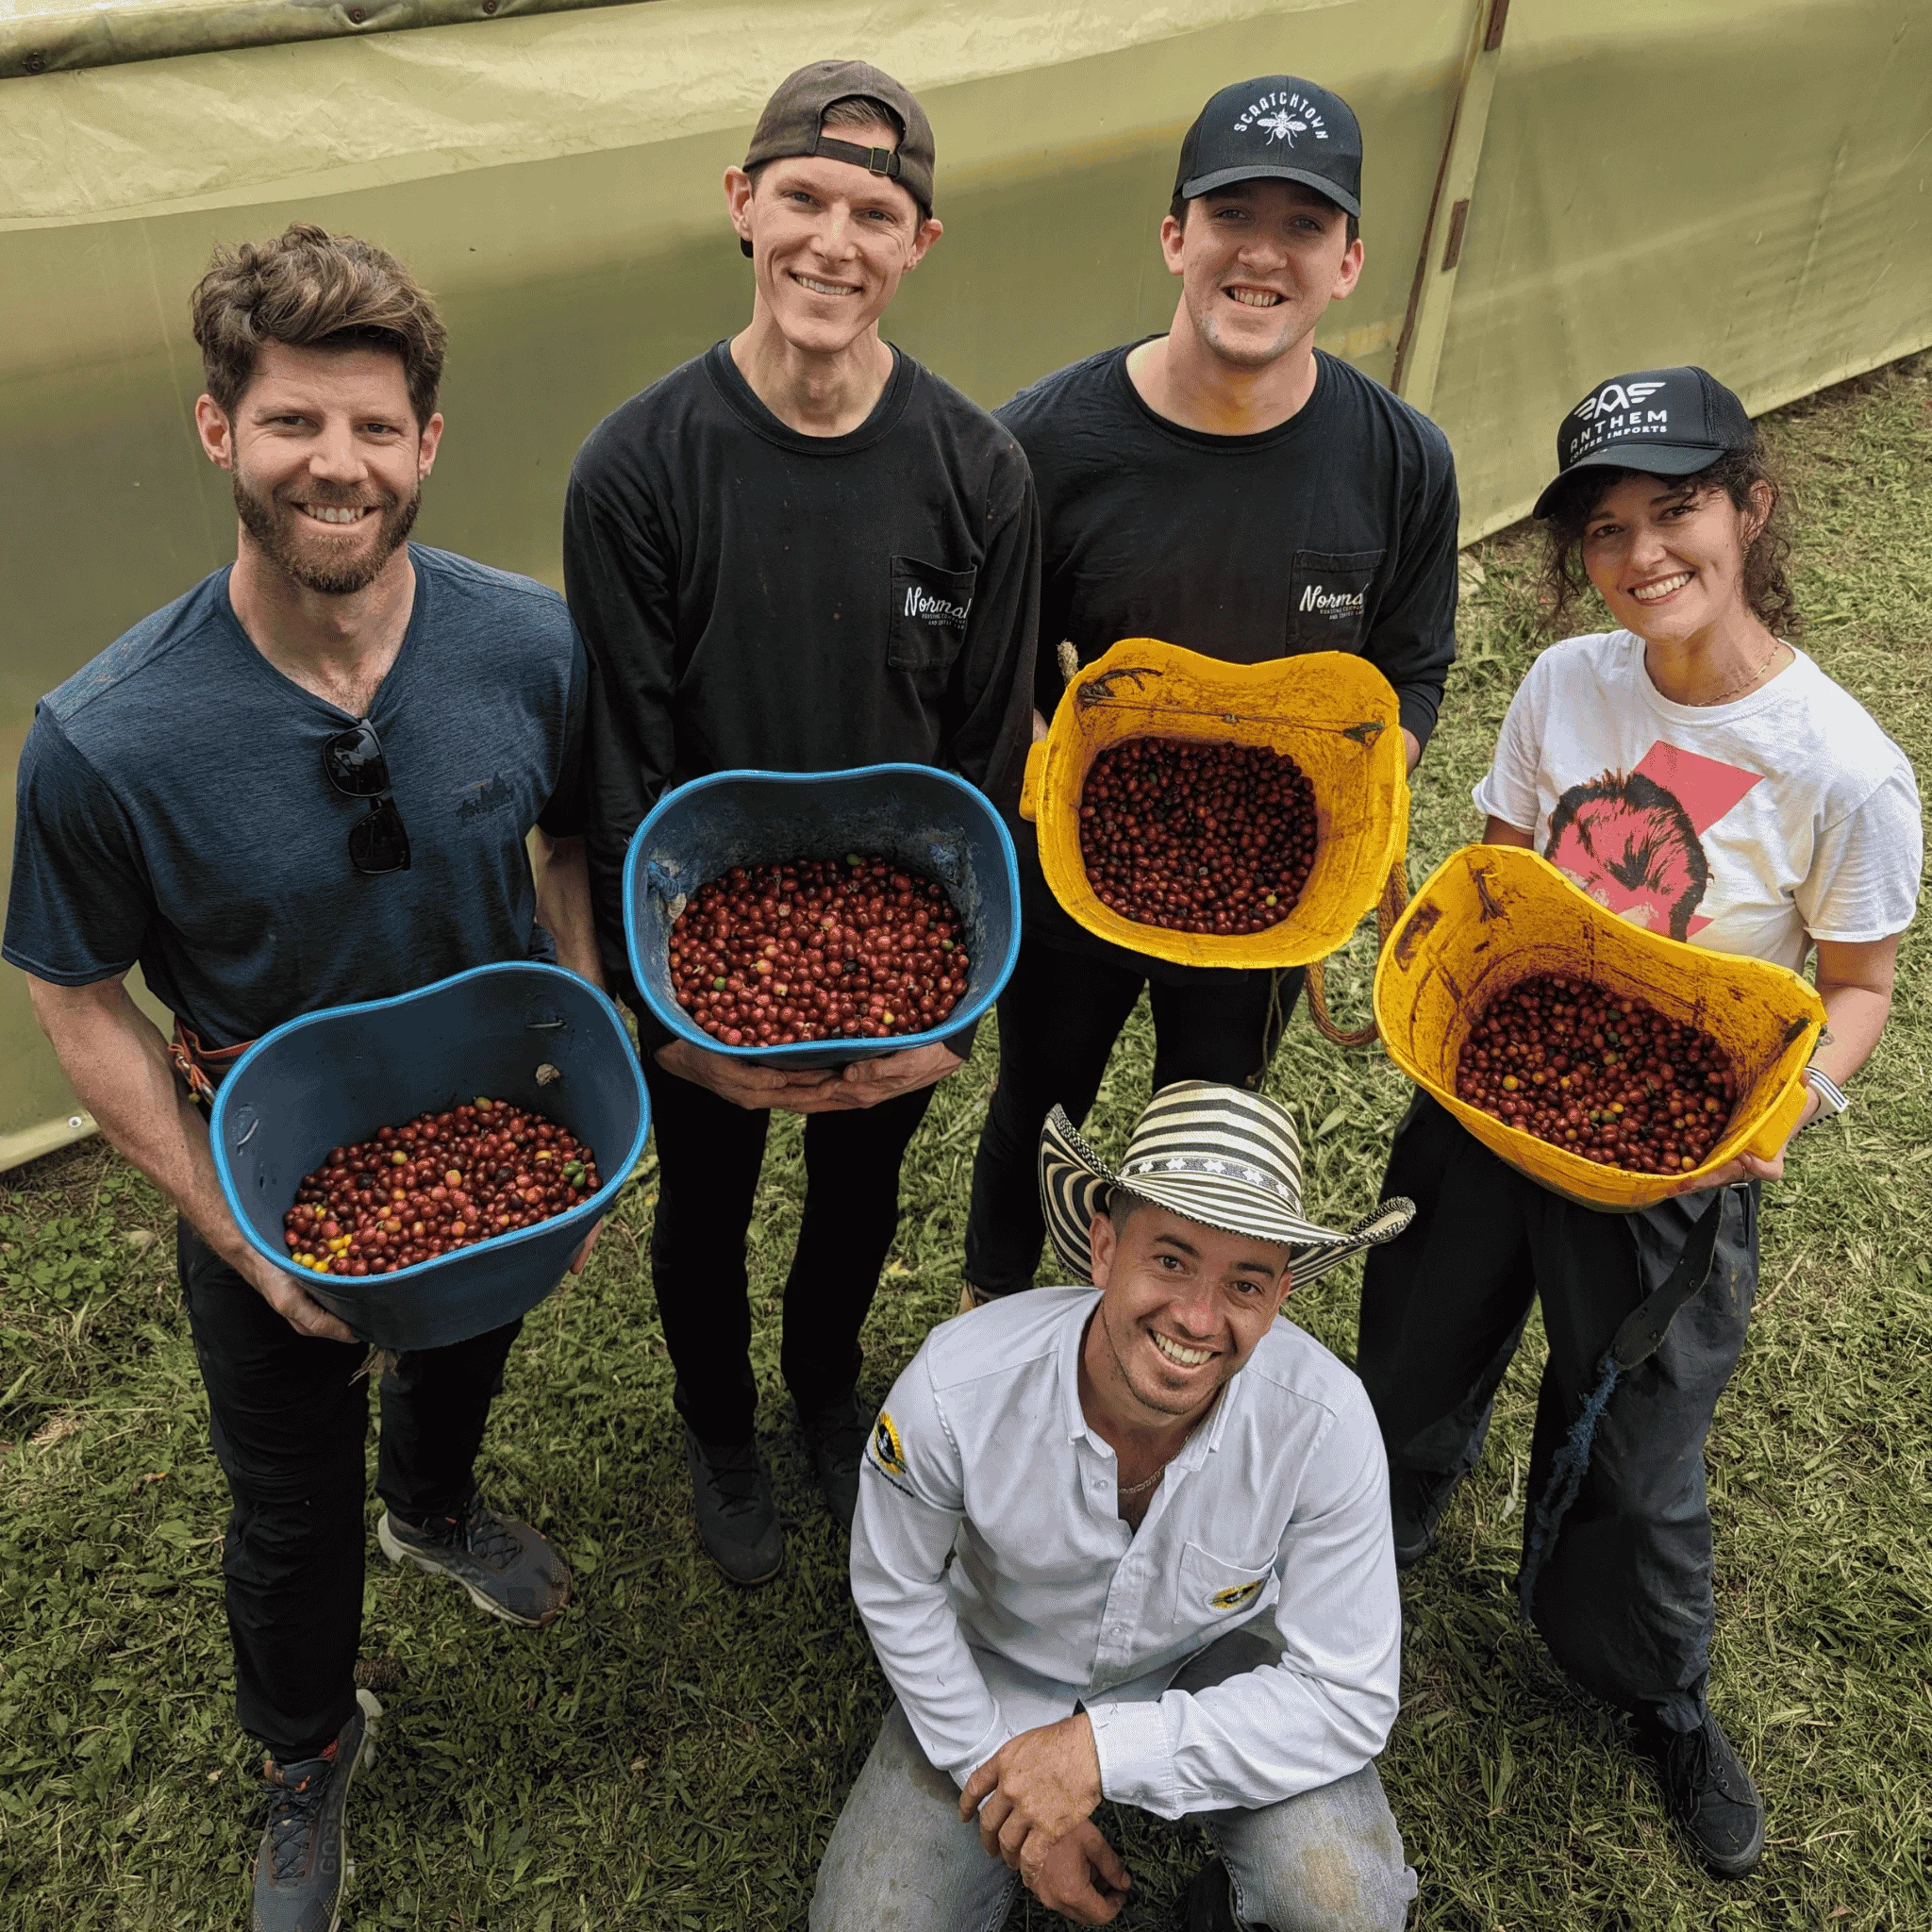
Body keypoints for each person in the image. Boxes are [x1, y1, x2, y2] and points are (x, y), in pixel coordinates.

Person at [3, 225, 597, 1932]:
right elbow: (74, 994)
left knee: (465, 1350)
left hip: (498, 1147)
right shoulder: (108, 737)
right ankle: (306, 1742)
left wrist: (577, 1027)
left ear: (427, 443)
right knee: (283, 1510)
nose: (337, 464)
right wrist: (239, 1233)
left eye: (373, 426)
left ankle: (435, 1507)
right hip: (276, 1176)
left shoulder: (527, 645)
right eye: (291, 422)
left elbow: (571, 839)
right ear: (220, 431)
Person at [1355, 366, 1922, 1878]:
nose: (1643, 554)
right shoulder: (1567, 686)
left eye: (1677, 511)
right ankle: (1369, 1547)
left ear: (1753, 508)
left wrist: (1791, 1107)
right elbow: (1500, 880)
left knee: (1638, 1448)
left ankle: (1652, 1684)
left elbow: (1860, 984)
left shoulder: (1842, 768)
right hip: (1496, 1097)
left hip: (1672, 1148)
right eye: (1606, 529)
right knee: (1411, 1349)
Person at [564, 61, 1039, 1584]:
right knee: (703, 1205)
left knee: (859, 1190)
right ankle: (719, 1428)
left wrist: (952, 1014)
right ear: (741, 204)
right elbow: (626, 758)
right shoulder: (637, 468)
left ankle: (825, 1394)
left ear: (920, 242)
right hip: (705, 942)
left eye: (874, 214)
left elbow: (988, 762)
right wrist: (670, 1020)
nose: (834, 242)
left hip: (903, 943)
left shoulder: (979, 473)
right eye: (804, 199)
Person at [961, 75, 1459, 1310]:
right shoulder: (1043, 445)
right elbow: (985, 661)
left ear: (1349, 263)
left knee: (1211, 1108)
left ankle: (1165, 1324)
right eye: (1231, 213)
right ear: (1174, 235)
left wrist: (1357, 793)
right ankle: (993, 1304)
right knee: (1042, 1097)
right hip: (1078, 854)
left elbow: (1410, 665)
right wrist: (1050, 774)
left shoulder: (1402, 460)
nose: (1263, 253)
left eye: (1304, 225)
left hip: (1272, 885)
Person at [815, 1081, 1419, 1930]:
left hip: (1217, 1656)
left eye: (1245, 1284)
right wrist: (998, 1775)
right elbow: (897, 1586)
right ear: (1104, 1248)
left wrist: (1100, 1753)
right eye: (1170, 1260)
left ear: (1280, 1298)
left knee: (1348, 1911)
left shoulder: (1327, 1423)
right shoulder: (953, 1390)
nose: (1198, 1318)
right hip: (1000, 1657)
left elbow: (1348, 1695)